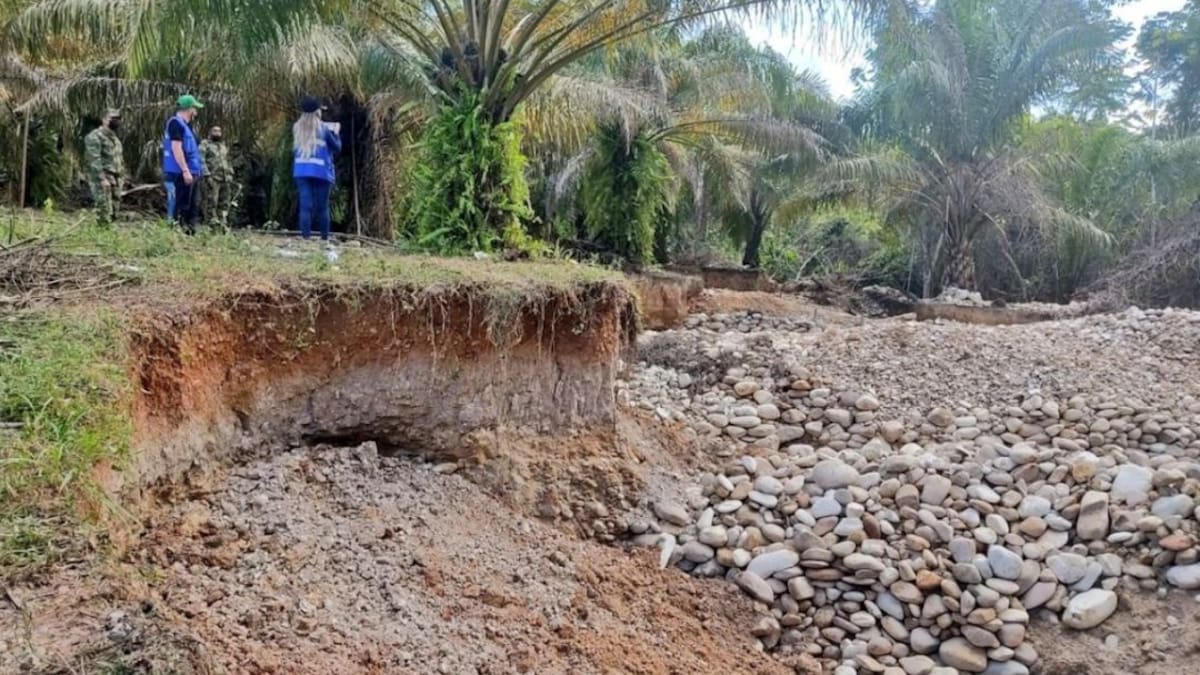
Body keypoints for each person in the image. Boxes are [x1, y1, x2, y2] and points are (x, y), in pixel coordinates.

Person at [292, 95, 341, 245]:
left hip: (301, 171)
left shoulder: (296, 128)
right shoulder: (324, 129)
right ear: (317, 112)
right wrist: (336, 133)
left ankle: (305, 239)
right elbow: (337, 147)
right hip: (321, 171)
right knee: (322, 207)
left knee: (305, 206)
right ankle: (324, 239)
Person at [162, 94, 205, 234]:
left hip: (192, 171)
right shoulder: (175, 123)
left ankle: (189, 231)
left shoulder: (187, 127)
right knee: (181, 204)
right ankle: (176, 230)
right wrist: (185, 170)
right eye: (195, 109)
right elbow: (176, 148)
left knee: (193, 204)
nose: (196, 112)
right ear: (190, 109)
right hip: (179, 172)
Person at [84, 109, 124, 226]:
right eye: (113, 118)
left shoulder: (115, 139)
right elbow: (94, 159)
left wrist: (122, 176)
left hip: (116, 177)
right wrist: (102, 179)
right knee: (104, 209)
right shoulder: (94, 136)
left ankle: (109, 235)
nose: (116, 121)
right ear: (104, 119)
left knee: (114, 211)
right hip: (103, 177)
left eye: (118, 119)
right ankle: (101, 235)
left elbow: (119, 159)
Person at [199, 125, 234, 229]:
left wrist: (231, 173)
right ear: (210, 132)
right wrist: (207, 174)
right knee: (211, 201)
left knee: (224, 202)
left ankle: (223, 223)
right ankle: (211, 224)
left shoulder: (223, 146)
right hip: (212, 178)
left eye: (219, 131)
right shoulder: (205, 144)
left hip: (225, 178)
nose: (217, 133)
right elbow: (200, 160)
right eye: (215, 131)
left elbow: (228, 160)